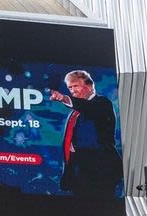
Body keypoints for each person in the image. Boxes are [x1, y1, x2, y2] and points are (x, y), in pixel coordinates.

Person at [49, 70, 122, 198]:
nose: (72, 90)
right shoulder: (76, 111)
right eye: (70, 88)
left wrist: (63, 98)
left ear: (89, 86)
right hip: (80, 173)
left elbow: (89, 108)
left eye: (75, 86)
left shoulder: (102, 103)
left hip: (100, 171)